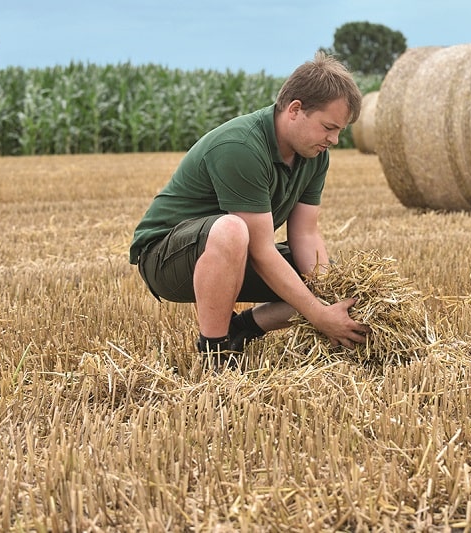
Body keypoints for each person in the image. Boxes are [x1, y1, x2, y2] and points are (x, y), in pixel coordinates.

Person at [129, 51, 370, 370]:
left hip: (235, 254)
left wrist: (331, 297)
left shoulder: (314, 155)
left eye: (340, 130)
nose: (335, 139)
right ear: (295, 109)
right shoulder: (241, 148)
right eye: (329, 127)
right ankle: (216, 355)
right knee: (233, 230)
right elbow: (261, 249)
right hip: (166, 258)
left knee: (332, 277)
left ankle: (242, 328)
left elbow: (307, 235)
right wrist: (318, 316)